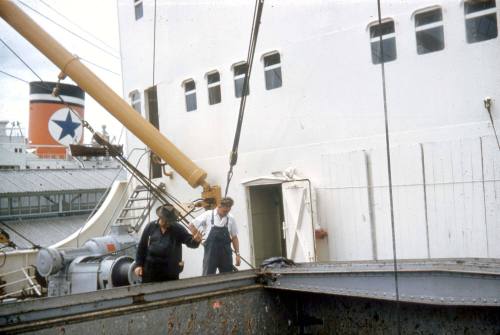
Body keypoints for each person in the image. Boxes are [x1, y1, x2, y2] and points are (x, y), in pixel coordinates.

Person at [134, 204, 202, 283]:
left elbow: (190, 242)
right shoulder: (150, 227)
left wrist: (196, 240)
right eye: (164, 220)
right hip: (150, 270)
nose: (166, 223)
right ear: (160, 217)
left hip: (170, 272)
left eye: (169, 221)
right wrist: (138, 265)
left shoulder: (177, 229)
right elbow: (142, 247)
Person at [189, 197, 240, 275]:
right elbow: (191, 225)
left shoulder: (231, 218)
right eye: (224, 211)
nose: (226, 213)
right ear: (219, 206)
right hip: (210, 253)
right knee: (208, 277)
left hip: (225, 254)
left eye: (228, 210)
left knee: (228, 277)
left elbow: (234, 237)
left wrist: (237, 254)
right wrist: (197, 237)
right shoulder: (208, 215)